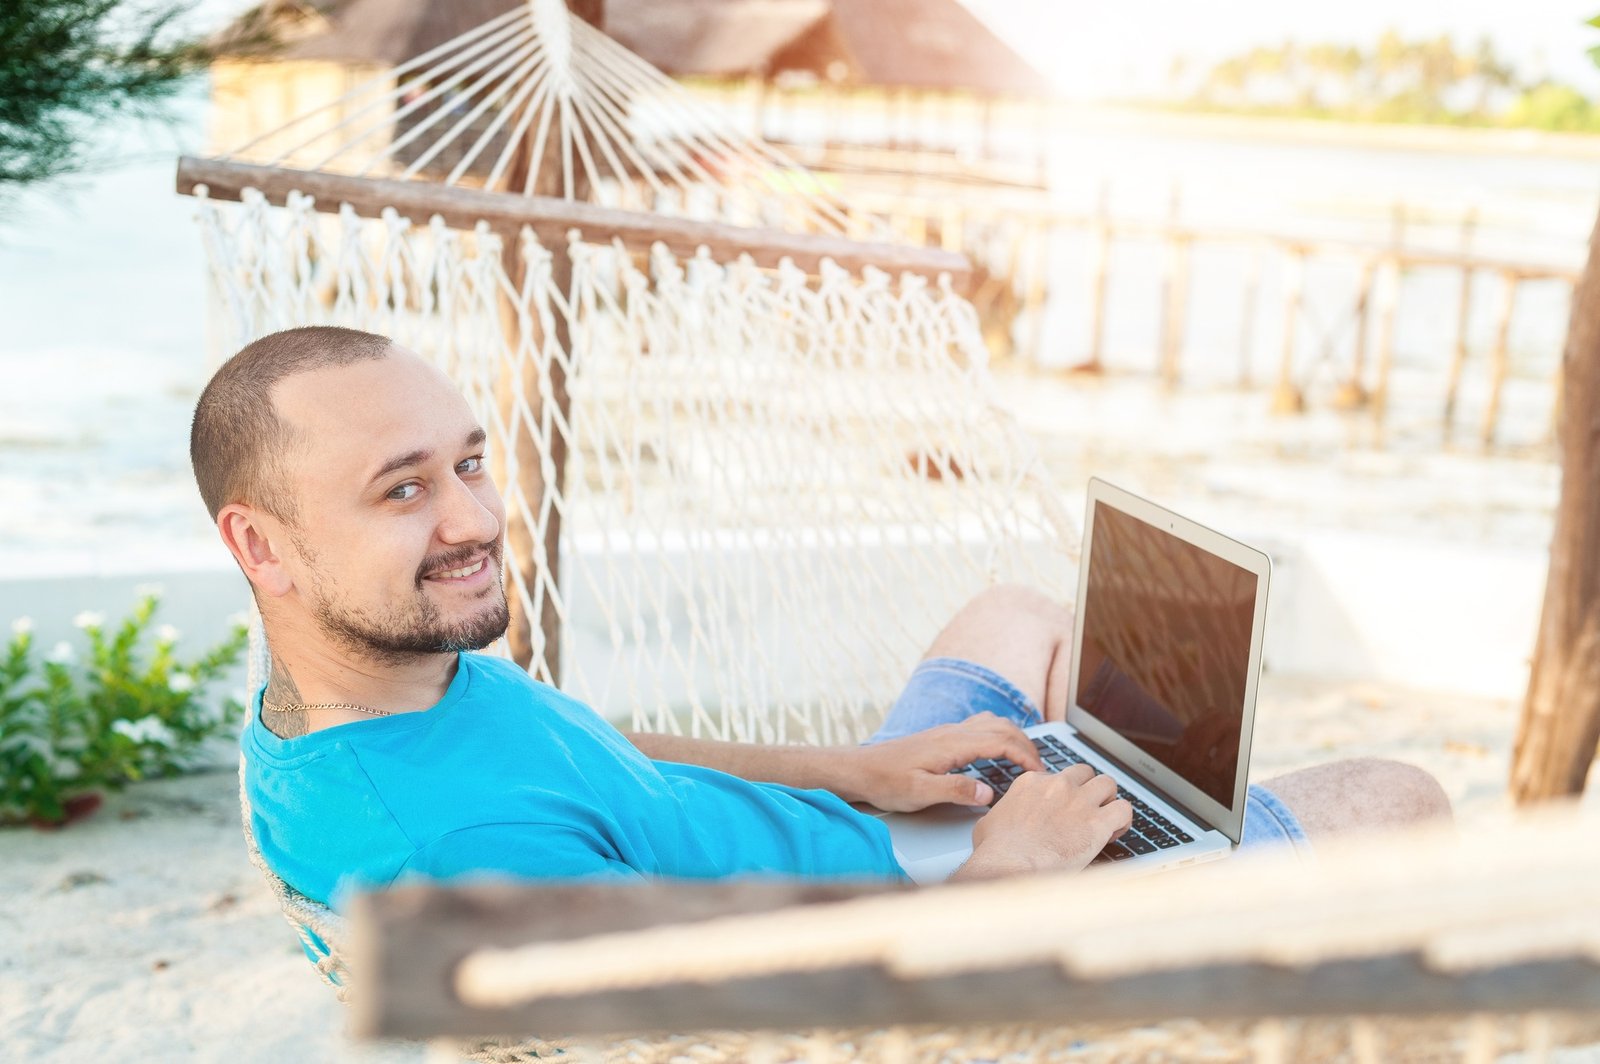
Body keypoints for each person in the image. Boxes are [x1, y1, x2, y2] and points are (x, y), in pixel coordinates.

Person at [192, 326, 1451, 907]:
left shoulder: (366, 689)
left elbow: (590, 756)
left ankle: (1151, 820)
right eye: (401, 489)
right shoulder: (458, 864)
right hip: (929, 907)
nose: (471, 518)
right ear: (263, 544)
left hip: (851, 830)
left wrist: (855, 765)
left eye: (468, 461)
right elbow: (778, 1032)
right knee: (1399, 795)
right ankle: (1170, 874)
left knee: (1018, 609)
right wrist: (1013, 871)